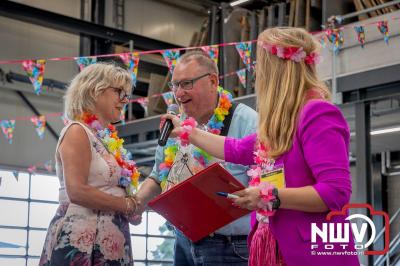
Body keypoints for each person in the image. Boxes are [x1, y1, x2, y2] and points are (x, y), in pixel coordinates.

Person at [164, 27, 360, 265]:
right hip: (272, 246)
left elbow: (335, 192)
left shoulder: (318, 113)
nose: (257, 74)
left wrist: (270, 196)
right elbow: (236, 149)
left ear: (279, 70)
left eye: (262, 65)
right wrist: (186, 131)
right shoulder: (281, 122)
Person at [135, 51, 258, 265]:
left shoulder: (246, 121)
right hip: (183, 242)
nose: (179, 94)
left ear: (212, 81)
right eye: (174, 86)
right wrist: (135, 204)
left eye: (186, 84)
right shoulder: (174, 126)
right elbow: (157, 176)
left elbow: (268, 179)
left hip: (231, 248)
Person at [39, 63, 141, 266]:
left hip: (111, 239)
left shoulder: (105, 139)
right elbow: (77, 191)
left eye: (126, 94)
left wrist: (132, 207)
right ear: (95, 90)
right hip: (82, 240)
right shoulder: (77, 131)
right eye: (119, 91)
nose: (125, 100)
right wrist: (127, 205)